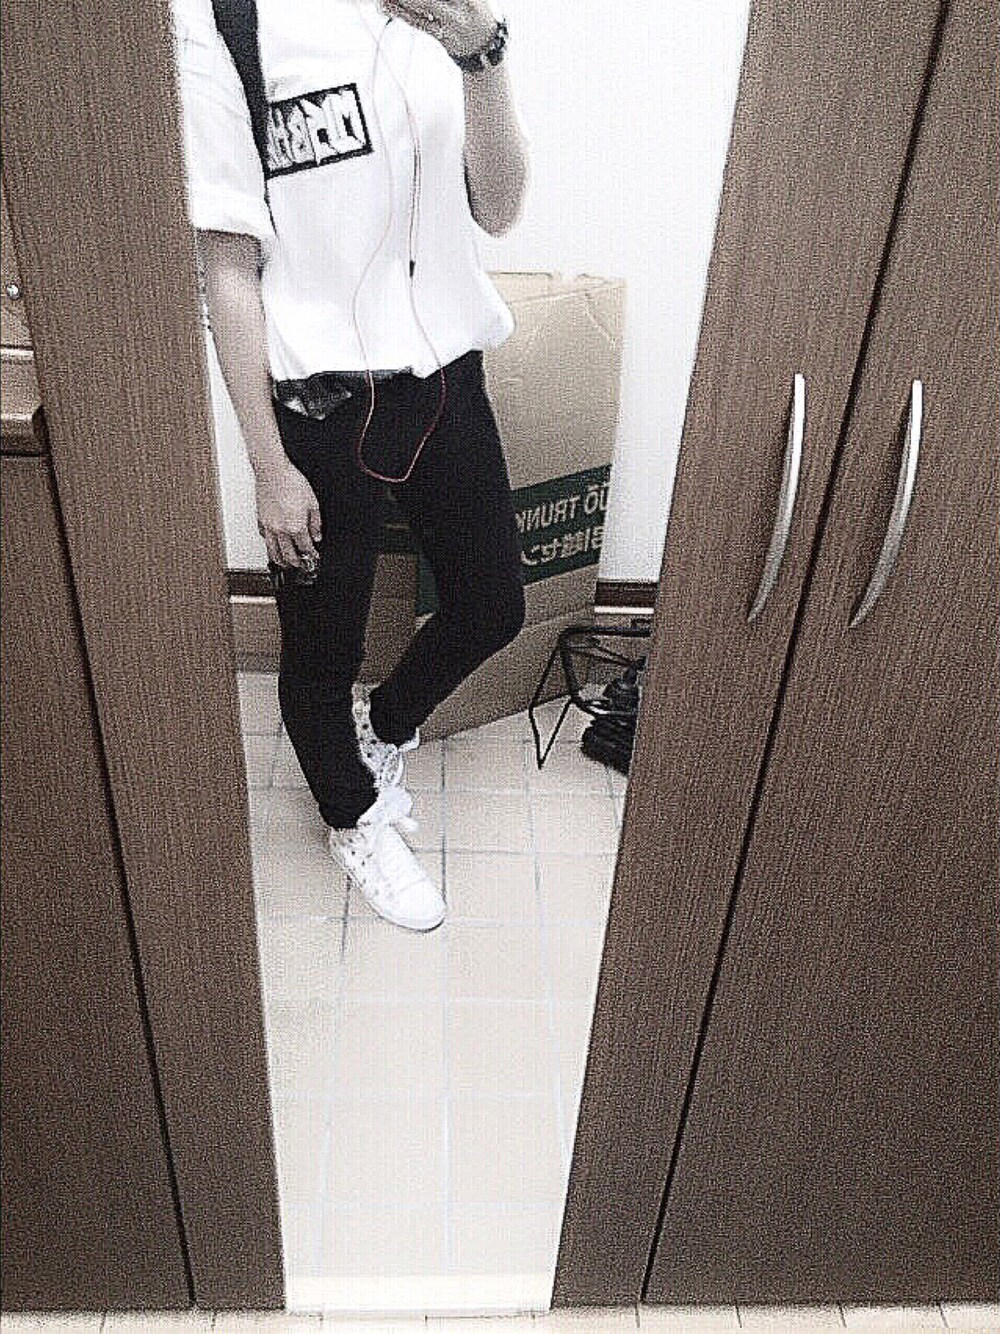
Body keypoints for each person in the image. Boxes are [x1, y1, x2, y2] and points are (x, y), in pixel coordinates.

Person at [171, 0, 530, 932]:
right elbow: (227, 266)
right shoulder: (229, 22)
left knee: (492, 603)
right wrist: (268, 464)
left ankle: (386, 727)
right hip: (319, 405)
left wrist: (482, 53)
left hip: (444, 376)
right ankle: (350, 815)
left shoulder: (443, 14)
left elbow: (500, 210)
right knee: (322, 653)